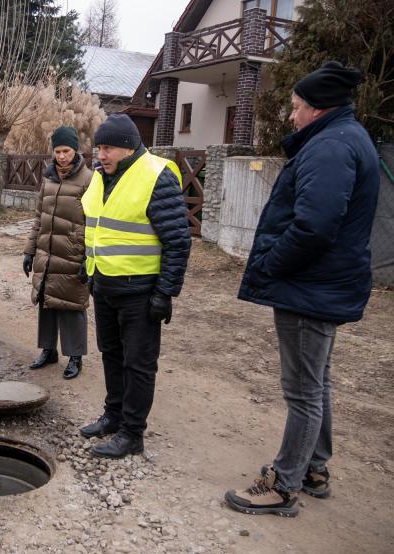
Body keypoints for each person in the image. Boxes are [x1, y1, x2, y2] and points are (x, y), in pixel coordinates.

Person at [225, 61, 379, 517]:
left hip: (310, 287)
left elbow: (314, 226)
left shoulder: (330, 147)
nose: (291, 117)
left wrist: (272, 264)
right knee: (317, 382)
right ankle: (314, 468)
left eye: (296, 108)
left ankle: (284, 485)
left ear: (318, 108)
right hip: (323, 285)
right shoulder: (347, 137)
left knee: (303, 390)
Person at [78, 114, 191, 458]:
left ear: (128, 148)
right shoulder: (101, 177)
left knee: (138, 364)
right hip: (105, 285)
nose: (100, 155)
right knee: (111, 355)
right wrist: (90, 272)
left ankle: (132, 433)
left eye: (107, 148)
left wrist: (165, 292)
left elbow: (178, 241)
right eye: (98, 148)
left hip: (140, 293)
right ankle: (113, 416)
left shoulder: (156, 176)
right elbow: (96, 229)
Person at [23, 126, 93, 379]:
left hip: (73, 253)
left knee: (72, 304)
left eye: (67, 151)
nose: (62, 156)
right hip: (47, 252)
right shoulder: (49, 178)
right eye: (58, 151)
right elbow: (38, 218)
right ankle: (48, 350)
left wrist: (89, 257)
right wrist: (30, 251)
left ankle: (75, 357)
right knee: (47, 302)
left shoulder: (89, 180)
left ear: (76, 151)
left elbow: (94, 222)